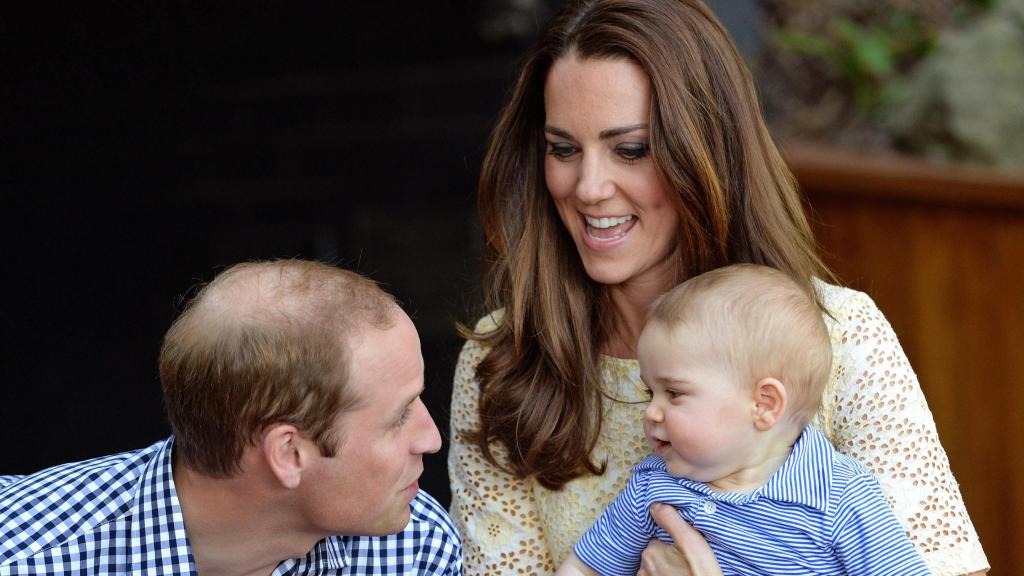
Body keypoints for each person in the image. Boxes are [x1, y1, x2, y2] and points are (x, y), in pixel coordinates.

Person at [447, 0, 988, 574]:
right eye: (563, 149)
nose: (588, 187)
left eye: (630, 149)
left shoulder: (840, 335)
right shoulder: (504, 360)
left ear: (705, 150)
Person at [0, 259, 462, 575]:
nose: (431, 438)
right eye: (399, 416)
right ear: (288, 453)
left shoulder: (412, 549)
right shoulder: (28, 557)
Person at [557, 264, 930, 575]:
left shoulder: (841, 499)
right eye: (648, 392)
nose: (651, 412)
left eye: (674, 393)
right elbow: (583, 569)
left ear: (764, 404)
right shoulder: (653, 486)